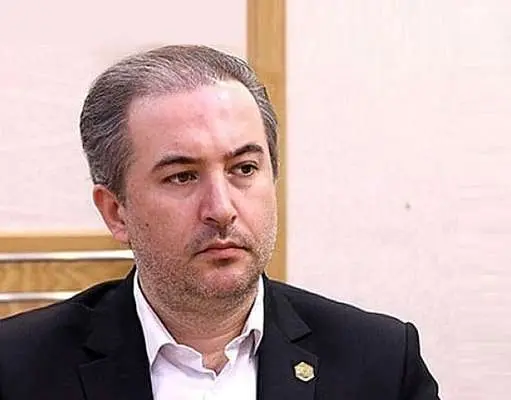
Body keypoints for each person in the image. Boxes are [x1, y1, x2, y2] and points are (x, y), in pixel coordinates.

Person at [0, 45, 439, 399]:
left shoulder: (380, 364)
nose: (222, 208)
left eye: (243, 169)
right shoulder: (17, 370)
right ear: (116, 212)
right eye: (182, 176)